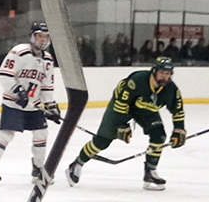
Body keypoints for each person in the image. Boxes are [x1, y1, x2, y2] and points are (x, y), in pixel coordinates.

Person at [65, 56, 187, 191]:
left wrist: (179, 130)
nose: (165, 77)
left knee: (159, 136)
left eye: (168, 74)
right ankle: (77, 163)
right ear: (154, 71)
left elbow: (178, 111)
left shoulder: (172, 90)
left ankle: (150, 172)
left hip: (145, 110)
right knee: (102, 141)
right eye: (162, 73)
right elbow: (121, 103)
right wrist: (121, 125)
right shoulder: (137, 80)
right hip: (120, 107)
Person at [0, 21, 59, 186]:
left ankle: (38, 171)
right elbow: (4, 75)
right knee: (6, 134)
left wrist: (51, 105)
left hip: (33, 105)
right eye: (39, 36)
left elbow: (46, 86)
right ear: (32, 36)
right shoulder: (19, 52)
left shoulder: (48, 59)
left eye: (45, 37)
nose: (42, 40)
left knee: (41, 133)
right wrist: (18, 91)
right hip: (14, 103)